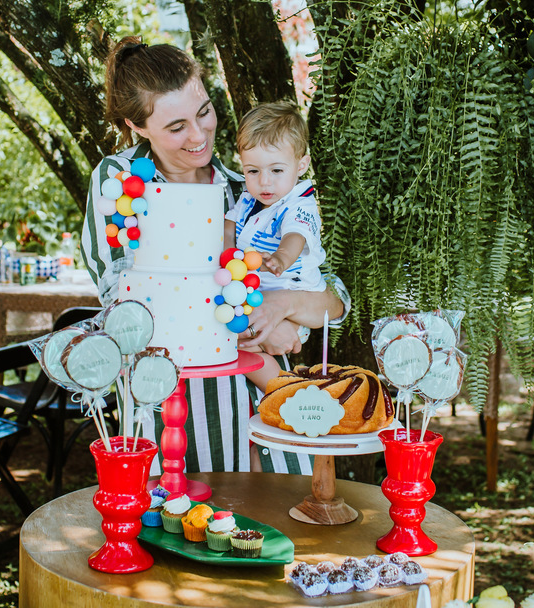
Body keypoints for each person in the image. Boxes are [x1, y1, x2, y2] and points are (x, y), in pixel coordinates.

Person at [82, 37, 349, 474]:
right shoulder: (120, 184)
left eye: (204, 111)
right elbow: (124, 304)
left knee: (278, 534)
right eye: (176, 126)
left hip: (268, 416)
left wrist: (281, 308)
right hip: (175, 420)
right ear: (136, 124)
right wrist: (253, 330)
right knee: (188, 529)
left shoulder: (247, 188)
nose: (199, 134)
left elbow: (332, 299)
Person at [224, 101, 327, 391]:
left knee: (242, 344)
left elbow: (295, 236)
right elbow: (229, 226)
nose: (264, 181)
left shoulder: (297, 203)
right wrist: (223, 256)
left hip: (291, 291)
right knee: (240, 341)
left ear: (301, 165)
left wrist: (281, 258)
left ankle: (282, 390)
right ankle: (287, 388)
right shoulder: (248, 199)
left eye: (276, 170)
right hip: (258, 293)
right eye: (253, 171)